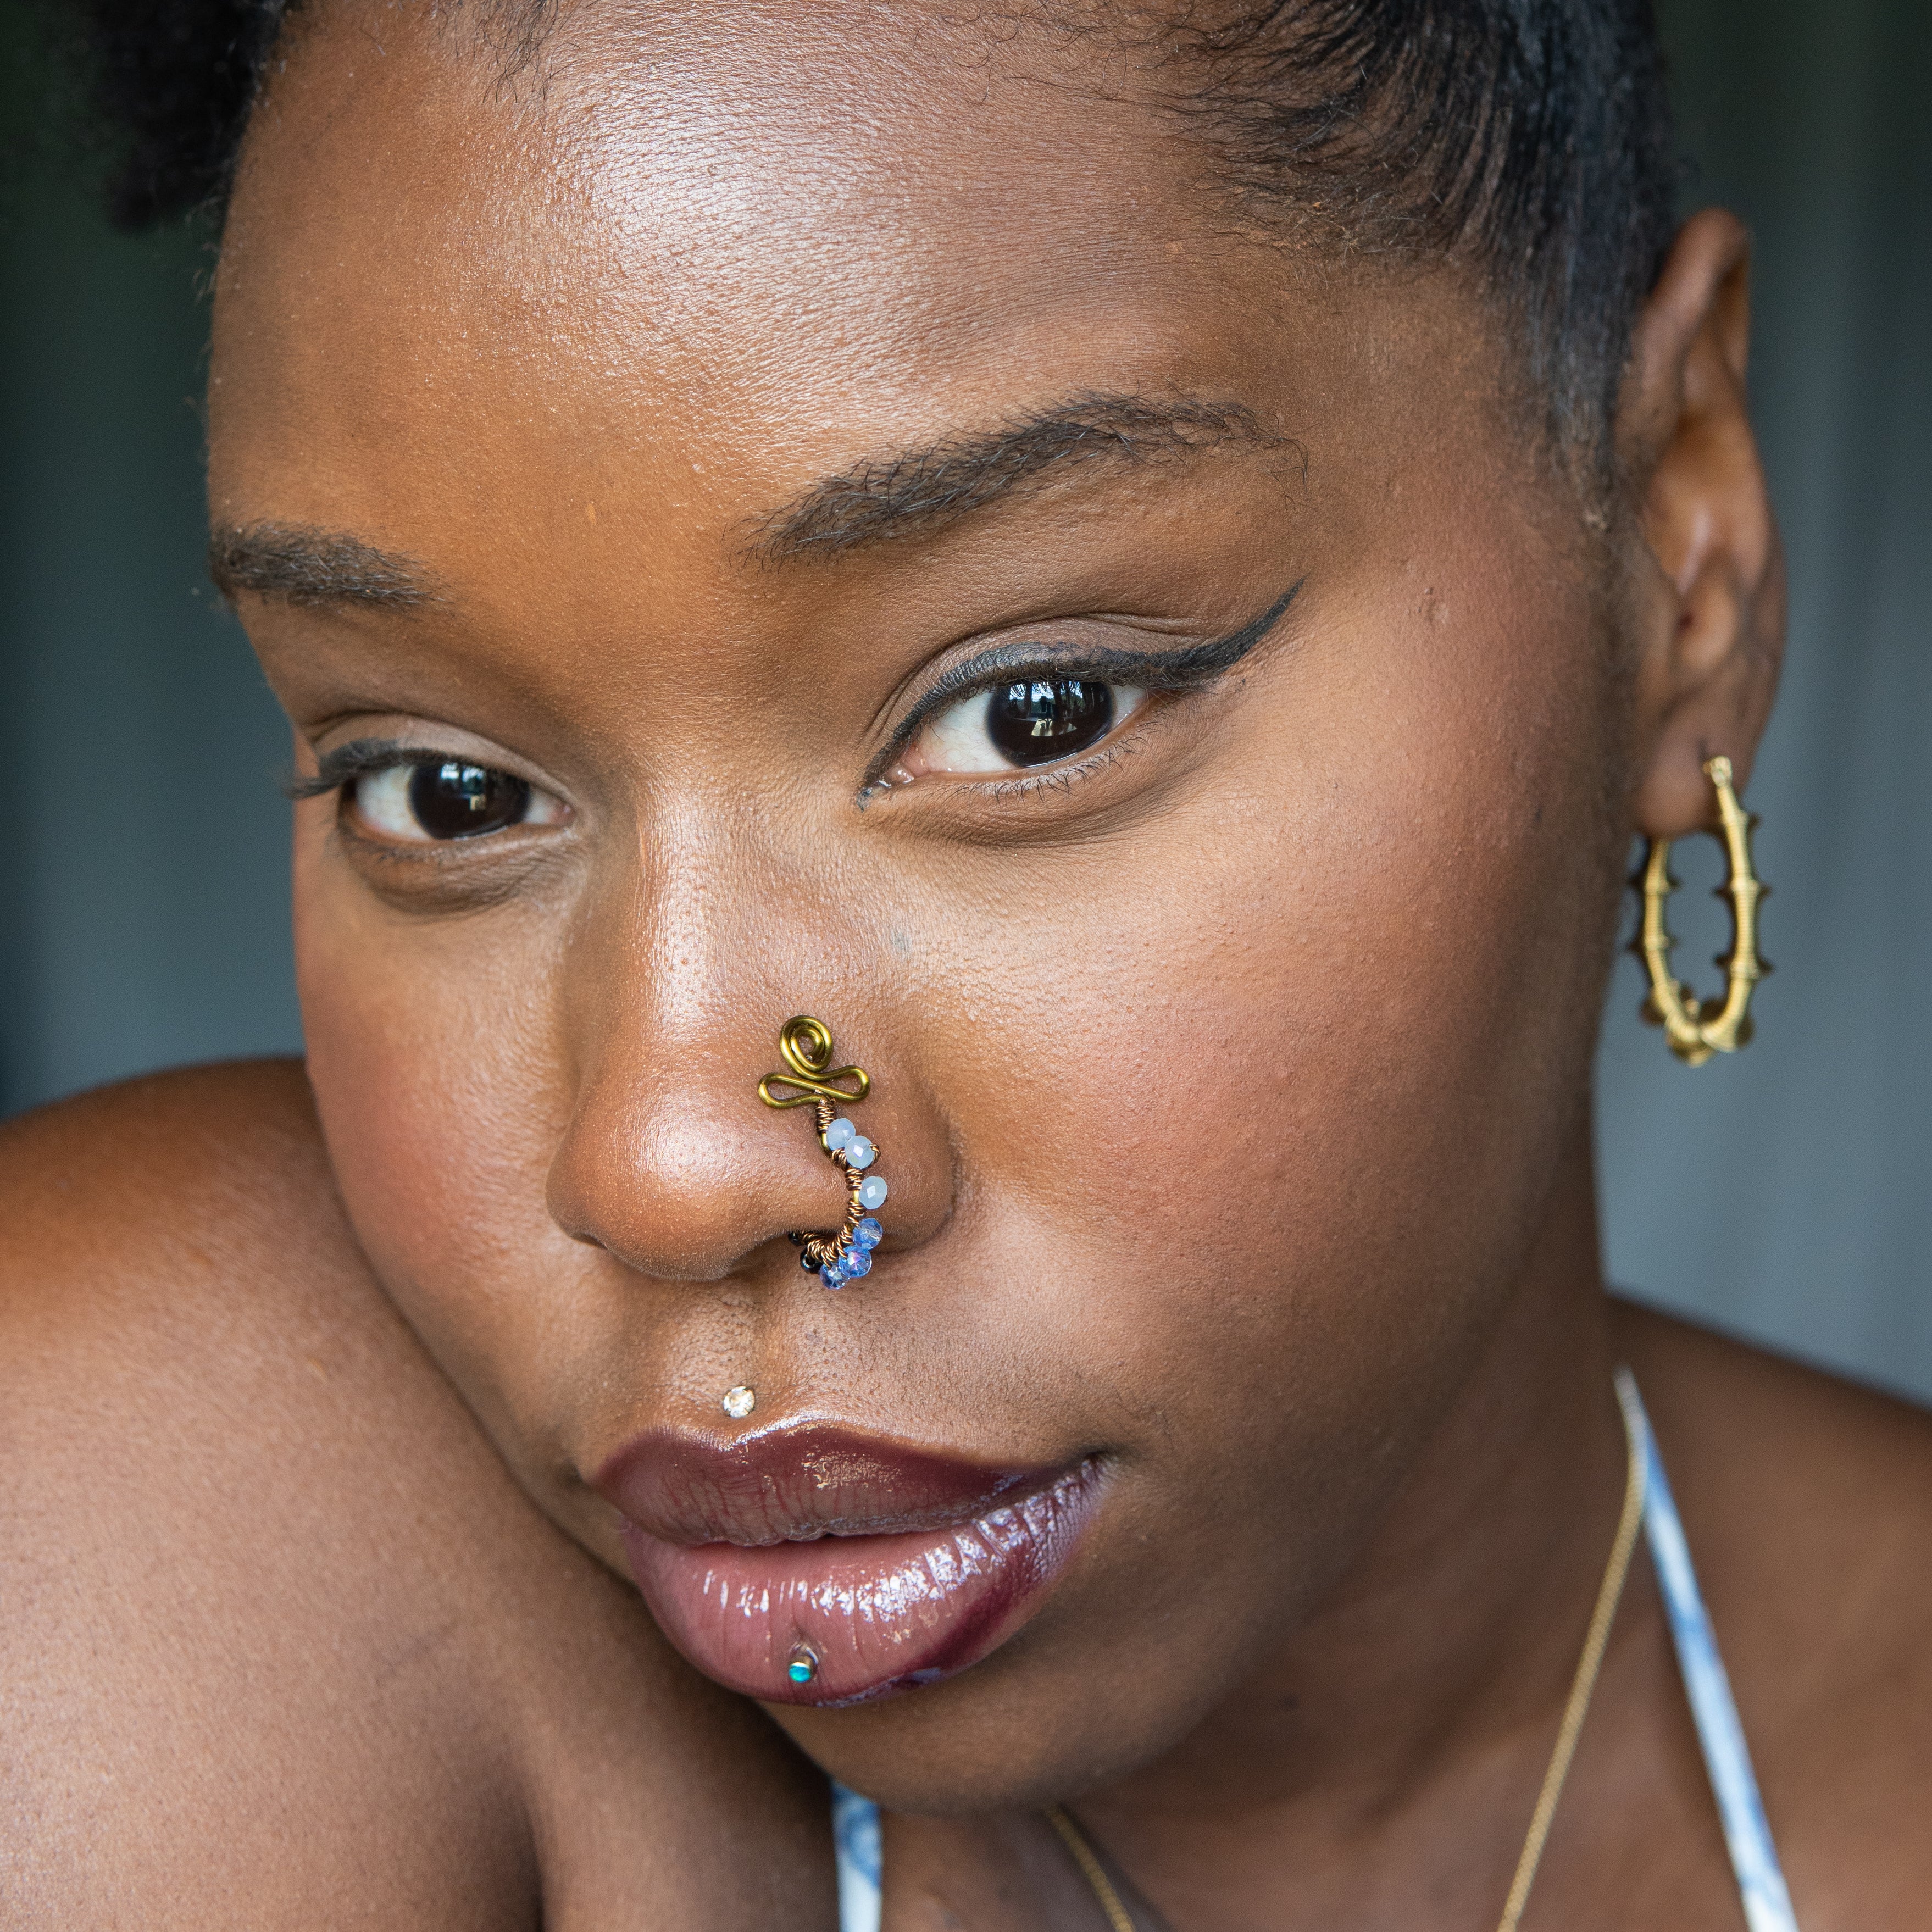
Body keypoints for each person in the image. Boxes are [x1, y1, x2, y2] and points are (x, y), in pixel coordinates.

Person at [4, 0, 1928, 1924]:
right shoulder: (143, 1540)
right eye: (439, 791)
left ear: (1679, 558)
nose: (672, 1170)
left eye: (1034, 711)